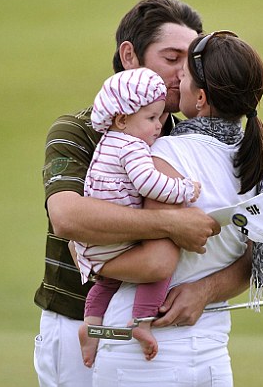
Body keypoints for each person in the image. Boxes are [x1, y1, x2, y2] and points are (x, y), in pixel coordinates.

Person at [33, 0, 260, 387]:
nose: (182, 73)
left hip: (160, 335)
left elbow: (253, 246)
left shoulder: (187, 137)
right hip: (76, 320)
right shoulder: (77, 130)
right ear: (129, 56)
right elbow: (67, 217)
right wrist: (171, 223)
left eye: (190, 61)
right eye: (172, 57)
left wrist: (206, 290)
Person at [92, 30, 263, 386]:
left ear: (200, 98)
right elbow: (257, 264)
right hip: (212, 354)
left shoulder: (165, 154)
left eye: (183, 77)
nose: (175, 82)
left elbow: (156, 262)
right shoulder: (259, 162)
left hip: (142, 353)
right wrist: (205, 290)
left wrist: (93, 260)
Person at [73, 67, 201, 367]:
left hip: (94, 243)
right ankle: (141, 324)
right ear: (122, 118)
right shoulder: (133, 147)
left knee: (105, 283)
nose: (159, 126)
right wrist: (184, 190)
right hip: (116, 242)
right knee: (160, 270)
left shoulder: (108, 141)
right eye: (151, 118)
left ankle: (90, 325)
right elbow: (149, 183)